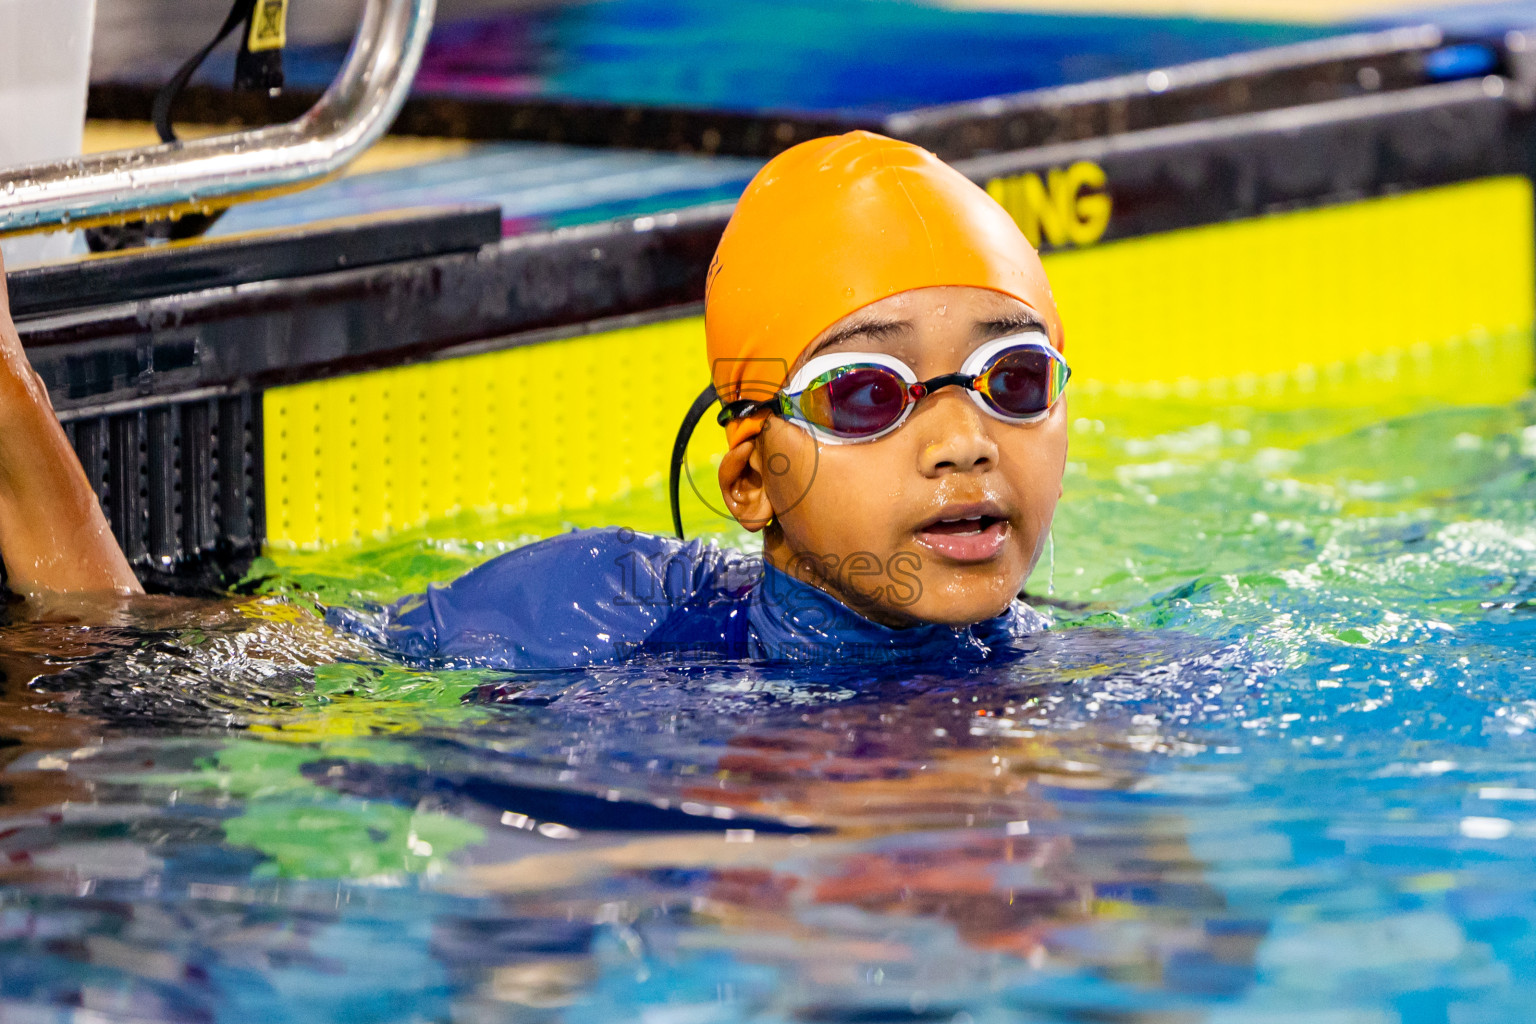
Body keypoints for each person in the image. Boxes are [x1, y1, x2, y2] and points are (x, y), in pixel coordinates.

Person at [0, 131, 1071, 668]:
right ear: (748, 476)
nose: (964, 443)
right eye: (867, 395)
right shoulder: (590, 611)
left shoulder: (1117, 690)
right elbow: (143, 657)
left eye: (1013, 380)